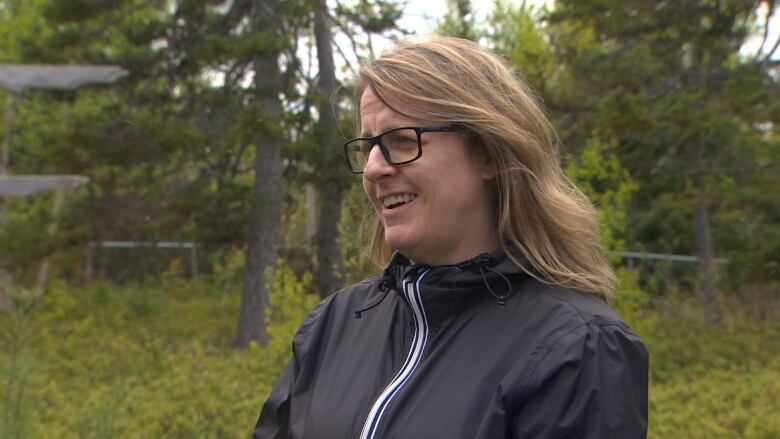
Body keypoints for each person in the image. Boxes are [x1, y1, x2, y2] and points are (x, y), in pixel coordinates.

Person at [254, 36, 648, 439]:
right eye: (368, 148)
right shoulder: (333, 324)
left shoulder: (578, 348)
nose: (373, 169)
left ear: (490, 154)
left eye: (401, 141)